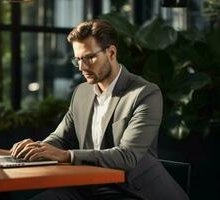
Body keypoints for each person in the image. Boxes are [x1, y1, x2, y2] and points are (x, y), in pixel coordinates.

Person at [10, 19, 189, 200]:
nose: (81, 67)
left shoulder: (145, 94)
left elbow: (126, 156)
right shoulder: (82, 92)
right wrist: (38, 149)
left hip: (132, 191)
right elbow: (60, 138)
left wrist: (66, 156)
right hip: (87, 185)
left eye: (89, 58)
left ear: (111, 52)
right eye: (78, 59)